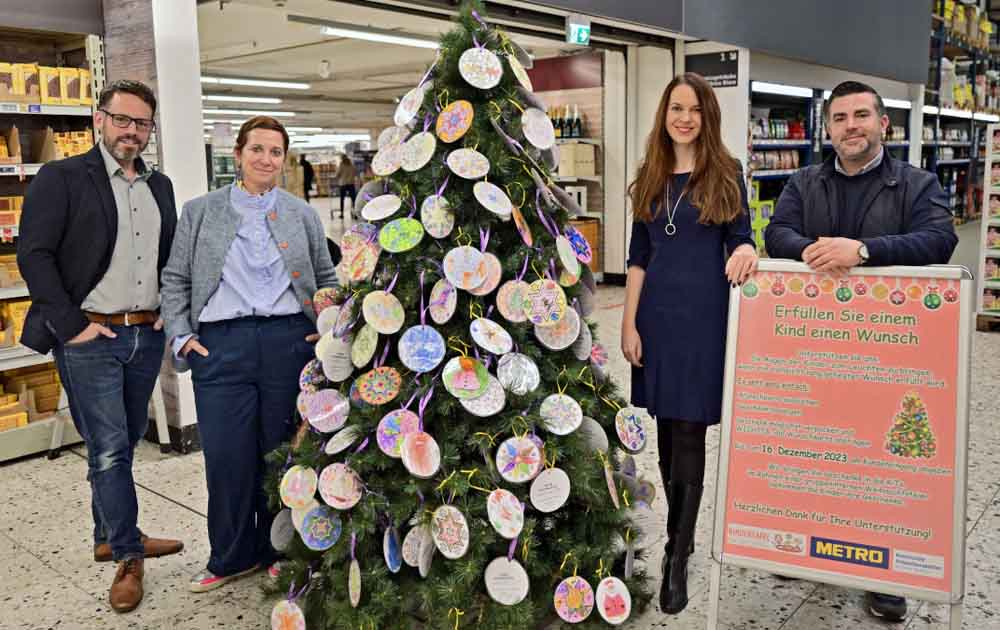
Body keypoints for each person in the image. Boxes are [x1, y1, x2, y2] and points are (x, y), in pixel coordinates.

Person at [765, 81, 958, 622]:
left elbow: (938, 240)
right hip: (815, 348)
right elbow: (777, 232)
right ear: (828, 129)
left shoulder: (917, 184)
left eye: (861, 116)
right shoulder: (804, 181)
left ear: (883, 125)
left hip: (887, 356)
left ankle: (883, 576)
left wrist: (865, 251)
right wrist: (810, 250)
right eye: (841, 119)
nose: (851, 126)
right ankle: (805, 547)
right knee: (818, 452)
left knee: (876, 465)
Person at [17, 79, 183, 613]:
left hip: (144, 333)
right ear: (99, 119)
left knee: (125, 441)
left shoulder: (160, 186)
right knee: (110, 448)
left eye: (142, 124)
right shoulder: (62, 177)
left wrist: (165, 312)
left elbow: (168, 256)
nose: (131, 132)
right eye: (122, 120)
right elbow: (34, 255)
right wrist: (72, 326)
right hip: (91, 336)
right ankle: (129, 555)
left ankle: (107, 533)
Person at [160, 116, 337, 593]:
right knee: (226, 455)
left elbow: (327, 279)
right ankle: (231, 556)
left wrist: (321, 331)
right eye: (256, 149)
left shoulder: (301, 215)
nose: (265, 159)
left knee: (283, 454)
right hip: (220, 345)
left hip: (287, 345)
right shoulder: (200, 212)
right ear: (238, 154)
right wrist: (181, 336)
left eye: (275, 152)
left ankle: (282, 553)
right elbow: (175, 279)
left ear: (284, 159)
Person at [621, 73, 758, 614]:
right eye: (676, 107)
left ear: (707, 116)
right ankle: (684, 533)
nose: (685, 117)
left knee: (689, 435)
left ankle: (676, 555)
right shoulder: (650, 175)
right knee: (663, 432)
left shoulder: (726, 171)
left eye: (695, 109)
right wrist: (629, 324)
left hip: (704, 319)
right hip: (656, 320)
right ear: (665, 114)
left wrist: (746, 250)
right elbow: (637, 259)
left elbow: (740, 235)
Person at [334, 153, 357, 218]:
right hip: (351, 184)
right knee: (353, 199)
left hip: (343, 184)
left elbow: (337, 174)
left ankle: (342, 214)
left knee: (342, 199)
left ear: (342, 158)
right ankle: (355, 213)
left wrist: (337, 176)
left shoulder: (341, 165)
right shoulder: (351, 164)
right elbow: (354, 172)